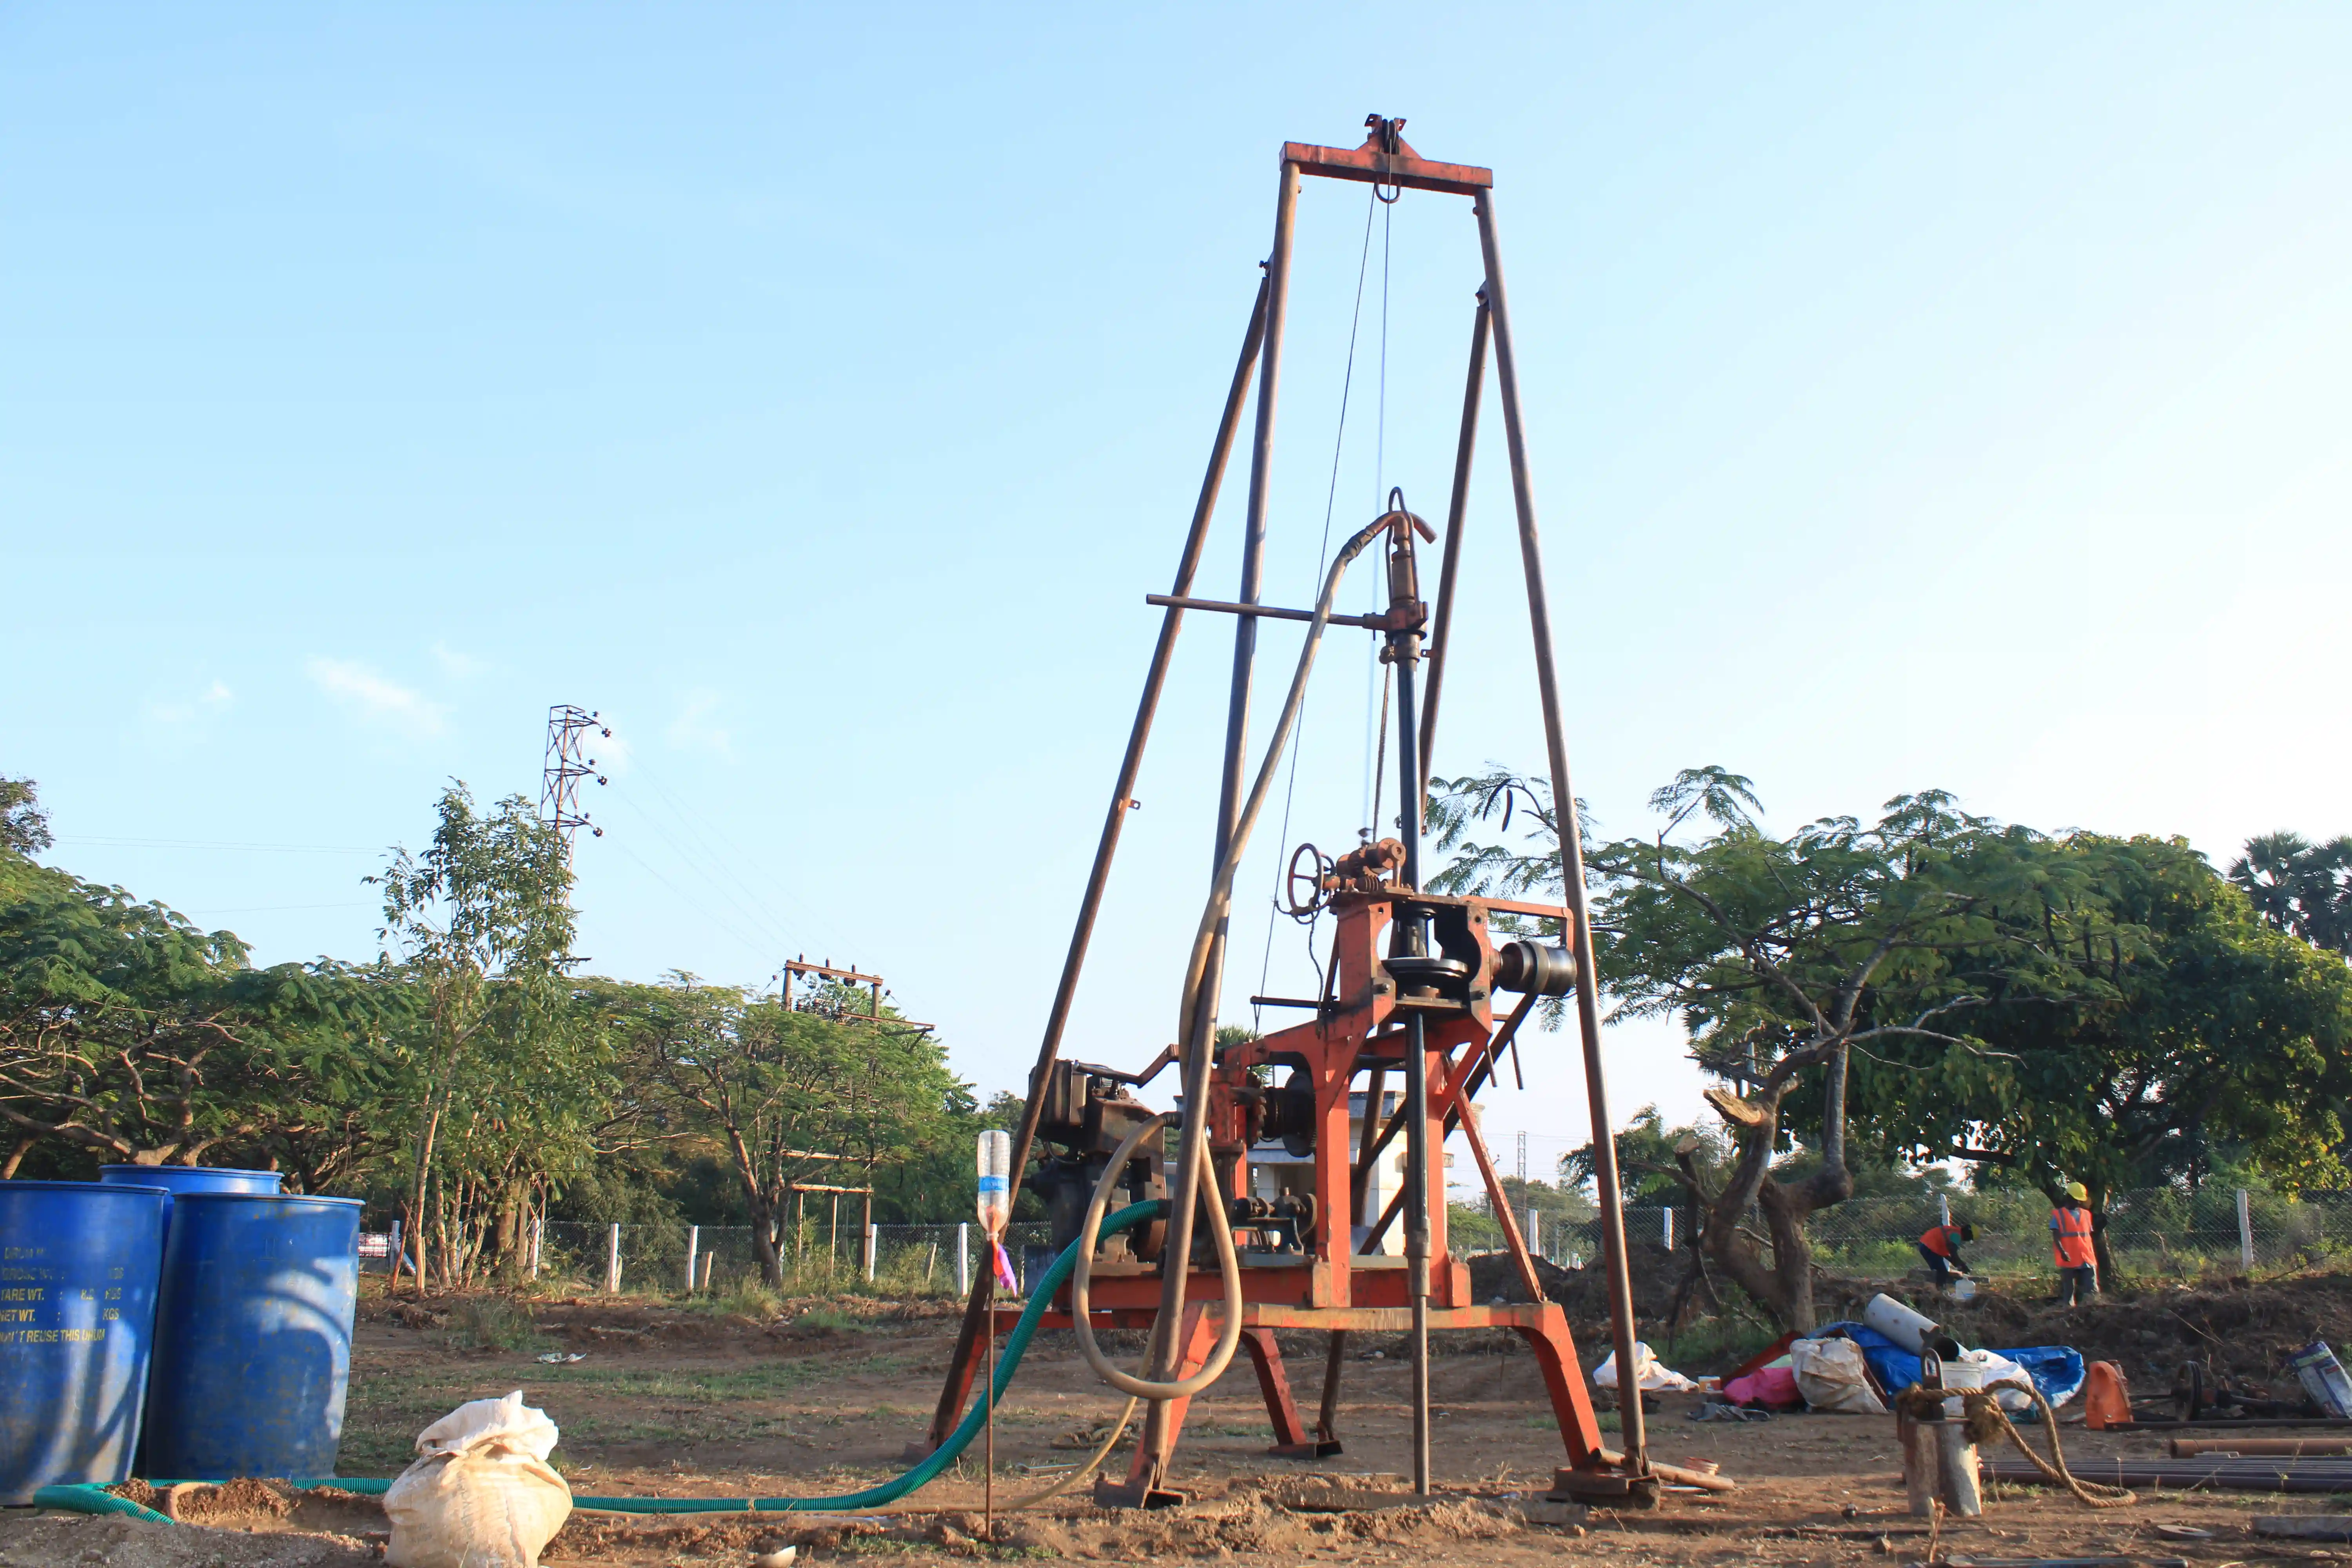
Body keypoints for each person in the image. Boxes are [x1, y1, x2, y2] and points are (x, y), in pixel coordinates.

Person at [2051, 1182, 2098, 1306]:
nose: (2079, 1203)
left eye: (2080, 1200)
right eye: (2077, 1199)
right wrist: (2062, 1252)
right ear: (2069, 1197)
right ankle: (2069, 1316)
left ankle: (2093, 1313)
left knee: (2092, 1291)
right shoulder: (2059, 1214)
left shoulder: (2087, 1215)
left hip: (2087, 1258)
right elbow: (2056, 1236)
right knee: (2069, 1293)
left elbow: (2088, 1236)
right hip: (2069, 1258)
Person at [1916, 1220, 1976, 1288]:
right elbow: (1953, 1254)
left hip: (1925, 1245)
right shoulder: (1957, 1236)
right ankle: (1939, 1291)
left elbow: (1947, 1254)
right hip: (1929, 1247)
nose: (1968, 1241)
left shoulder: (1955, 1231)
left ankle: (1935, 1288)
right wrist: (1963, 1266)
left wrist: (1958, 1264)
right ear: (1968, 1234)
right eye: (1970, 1239)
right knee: (1942, 1272)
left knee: (1940, 1271)